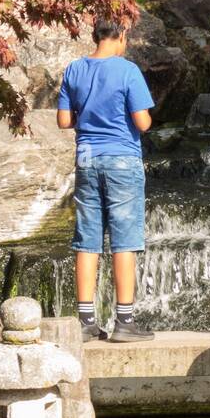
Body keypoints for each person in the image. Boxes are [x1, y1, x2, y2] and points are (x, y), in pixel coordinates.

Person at [57, 19, 156, 343]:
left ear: (94, 36)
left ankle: (85, 321)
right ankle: (124, 321)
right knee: (124, 240)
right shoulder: (128, 72)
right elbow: (142, 123)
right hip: (122, 160)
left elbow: (63, 120)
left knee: (87, 239)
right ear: (121, 36)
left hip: (86, 159)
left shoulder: (74, 69)